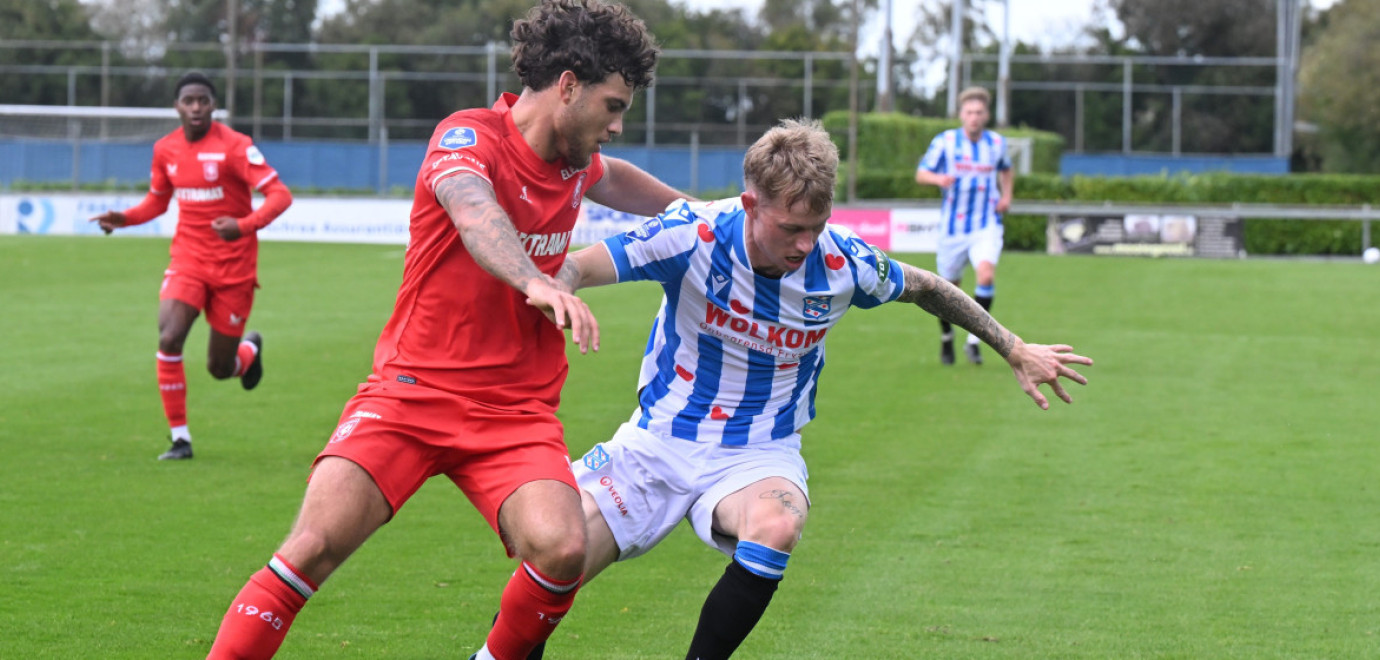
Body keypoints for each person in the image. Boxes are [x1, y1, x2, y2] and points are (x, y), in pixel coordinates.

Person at [203, 1, 686, 659]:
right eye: (612, 104)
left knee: (563, 548)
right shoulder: (468, 138)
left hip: (514, 411)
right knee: (309, 549)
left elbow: (620, 181)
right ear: (568, 85)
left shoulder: (577, 160)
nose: (618, 124)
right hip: (409, 392)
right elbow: (471, 208)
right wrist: (535, 279)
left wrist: (709, 218)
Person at [531, 118, 1090, 659]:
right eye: (791, 228)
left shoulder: (842, 260)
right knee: (556, 560)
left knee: (776, 524)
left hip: (758, 452)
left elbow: (924, 286)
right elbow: (583, 264)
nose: (805, 244)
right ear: (751, 206)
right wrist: (563, 289)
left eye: (816, 226)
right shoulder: (693, 233)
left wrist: (1012, 347)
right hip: (657, 443)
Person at [90, 71, 293, 460]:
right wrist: (125, 218)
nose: (196, 107)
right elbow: (157, 201)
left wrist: (242, 226)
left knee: (220, 367)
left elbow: (280, 195)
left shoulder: (236, 147)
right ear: (177, 106)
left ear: (213, 106)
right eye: (189, 100)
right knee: (169, 337)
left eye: (203, 100)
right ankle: (180, 439)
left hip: (235, 268)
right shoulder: (165, 149)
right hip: (189, 260)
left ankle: (249, 352)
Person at [915, 86, 1014, 366]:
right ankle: (947, 337)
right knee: (948, 292)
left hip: (986, 224)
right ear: (961, 114)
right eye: (969, 112)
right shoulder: (945, 142)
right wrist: (938, 180)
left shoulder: (996, 143)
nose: (974, 117)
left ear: (986, 115)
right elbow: (922, 173)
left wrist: (1006, 195)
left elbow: (1006, 169)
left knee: (985, 274)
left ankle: (974, 339)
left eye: (979, 112)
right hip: (953, 229)